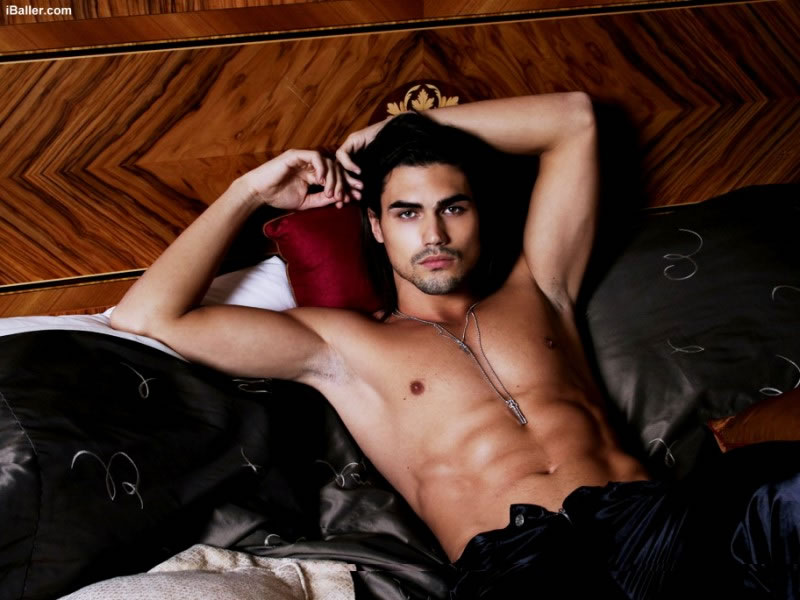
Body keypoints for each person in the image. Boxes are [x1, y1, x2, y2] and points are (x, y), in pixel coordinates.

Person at [110, 94, 800, 599]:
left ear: (479, 217)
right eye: (407, 212)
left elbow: (573, 120)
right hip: (524, 565)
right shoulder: (342, 346)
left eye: (453, 207)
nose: (433, 233)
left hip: (649, 523)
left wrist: (390, 134)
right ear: (376, 227)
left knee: (782, 493)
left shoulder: (540, 286)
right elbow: (148, 315)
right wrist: (251, 190)